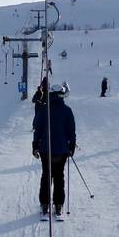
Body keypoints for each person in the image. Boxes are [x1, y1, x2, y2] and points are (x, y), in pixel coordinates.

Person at [32, 84, 76, 218]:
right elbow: (71, 130)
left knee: (46, 175)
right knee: (59, 176)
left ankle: (45, 203)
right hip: (62, 150)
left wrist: (35, 145)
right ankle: (58, 204)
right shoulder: (67, 110)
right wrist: (71, 146)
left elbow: (37, 128)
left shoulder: (43, 109)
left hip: (46, 149)